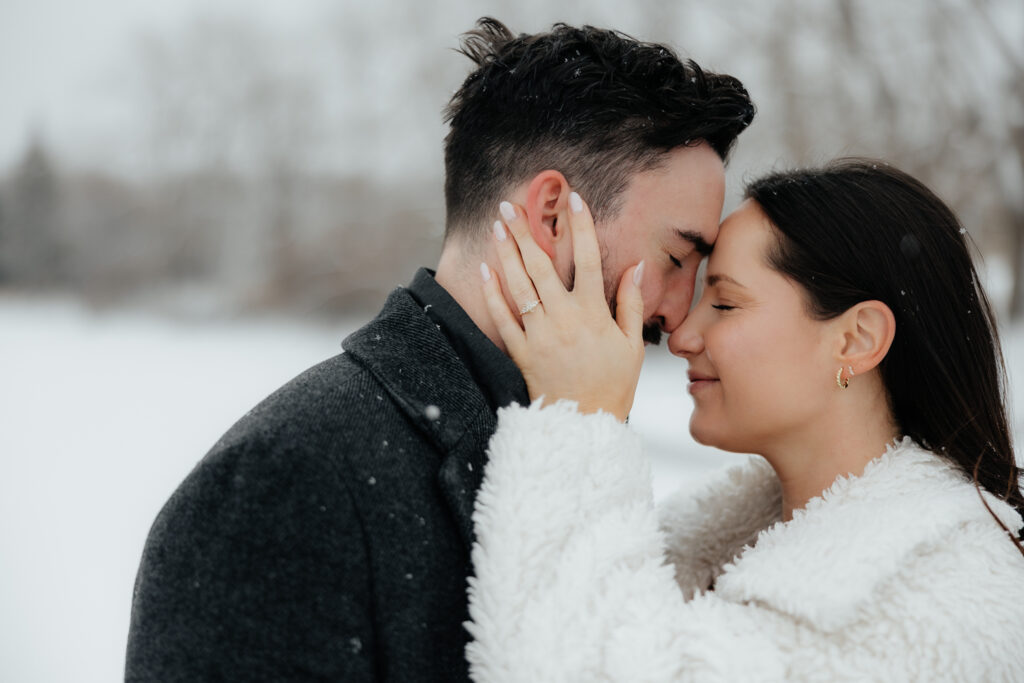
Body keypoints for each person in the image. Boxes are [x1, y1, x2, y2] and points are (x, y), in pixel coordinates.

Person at [124, 17, 754, 681]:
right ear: (551, 218)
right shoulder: (283, 483)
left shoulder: (577, 443)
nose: (680, 311)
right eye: (678, 255)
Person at [466, 159, 1024, 681]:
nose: (681, 336)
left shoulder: (937, 598)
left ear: (856, 339)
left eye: (726, 304)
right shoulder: (716, 549)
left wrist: (578, 424)